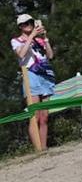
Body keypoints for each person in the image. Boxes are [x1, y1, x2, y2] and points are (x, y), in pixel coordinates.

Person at [11, 13, 55, 150]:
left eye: (30, 22)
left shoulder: (39, 40)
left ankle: (44, 147)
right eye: (25, 23)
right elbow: (21, 54)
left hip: (45, 76)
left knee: (45, 116)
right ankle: (37, 149)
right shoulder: (16, 40)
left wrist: (45, 38)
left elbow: (50, 55)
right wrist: (31, 37)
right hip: (31, 75)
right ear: (20, 26)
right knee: (34, 115)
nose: (28, 25)